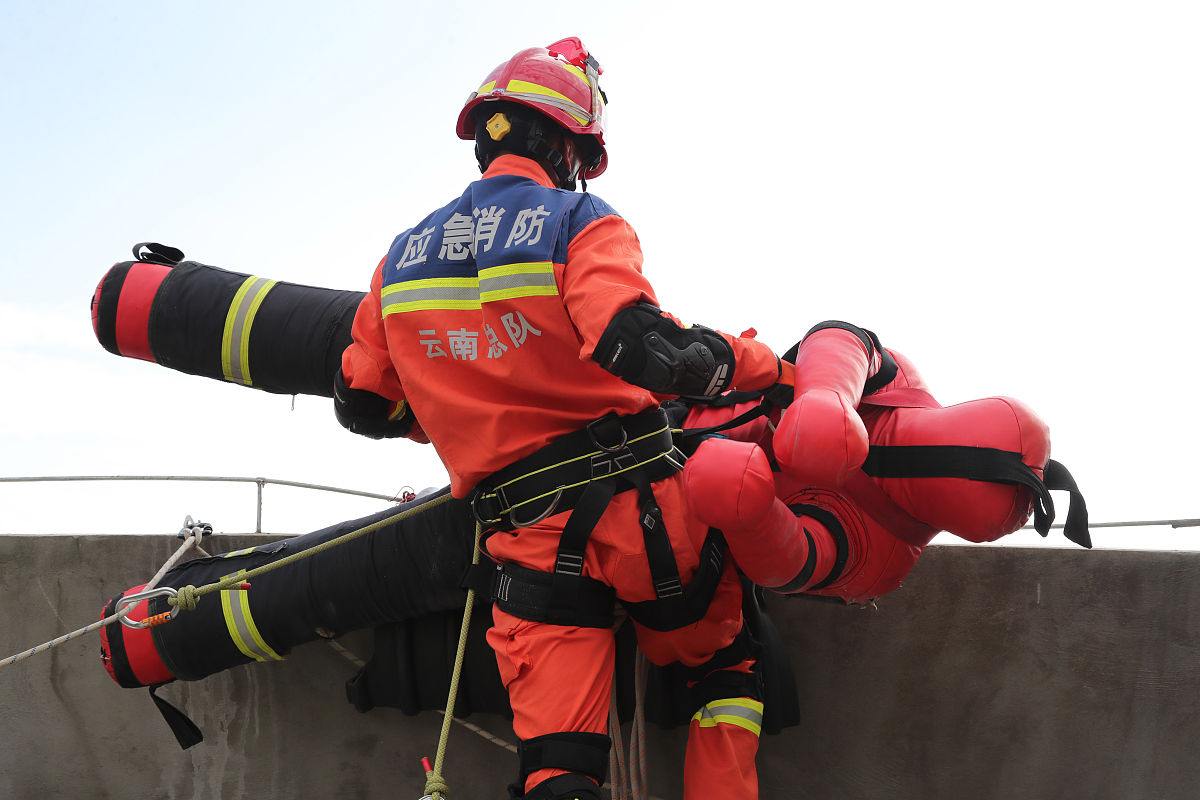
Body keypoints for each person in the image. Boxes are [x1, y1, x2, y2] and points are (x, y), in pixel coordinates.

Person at [334, 38, 787, 800]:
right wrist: (764, 367)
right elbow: (642, 346)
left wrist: (465, 412)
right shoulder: (578, 218)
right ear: (569, 147)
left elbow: (367, 407)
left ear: (486, 137)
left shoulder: (401, 258)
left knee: (560, 770)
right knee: (726, 669)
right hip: (645, 525)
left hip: (528, 550)